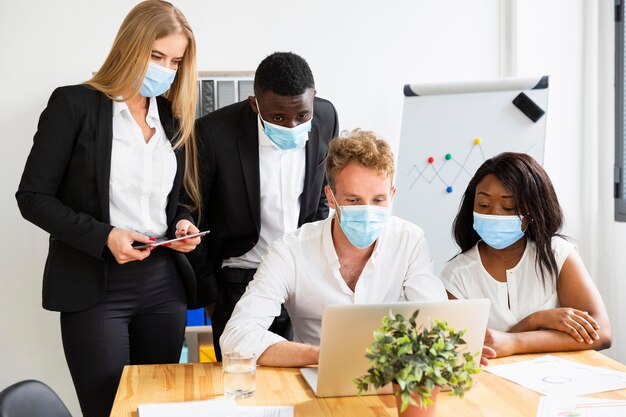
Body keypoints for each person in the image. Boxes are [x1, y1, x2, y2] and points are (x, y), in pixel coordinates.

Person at [15, 2, 202, 416]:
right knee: (108, 410)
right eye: (156, 56)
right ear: (129, 47)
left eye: (174, 61)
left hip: (163, 284)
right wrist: (105, 236)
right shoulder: (73, 104)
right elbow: (32, 197)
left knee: (160, 409)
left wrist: (184, 222)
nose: (165, 69)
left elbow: (179, 198)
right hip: (95, 285)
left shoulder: (173, 117)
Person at [220, 129, 448, 367]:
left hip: (385, 375)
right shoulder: (290, 251)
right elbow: (236, 337)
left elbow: (439, 322)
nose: (368, 210)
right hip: (313, 376)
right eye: (353, 200)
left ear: (392, 195)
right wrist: (323, 355)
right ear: (331, 198)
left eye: (378, 200)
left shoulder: (409, 241)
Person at [190, 51, 339, 360]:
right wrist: (211, 294)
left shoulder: (326, 116)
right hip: (239, 280)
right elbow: (193, 215)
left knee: (308, 371)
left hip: (301, 279)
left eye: (301, 116)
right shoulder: (213, 133)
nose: (292, 125)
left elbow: (322, 193)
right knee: (241, 382)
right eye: (278, 117)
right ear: (255, 104)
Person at [441, 152, 612, 357]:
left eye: (508, 207)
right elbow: (468, 353)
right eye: (484, 205)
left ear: (532, 212)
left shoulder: (556, 253)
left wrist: (514, 342)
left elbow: (601, 333)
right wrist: (536, 321)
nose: (494, 214)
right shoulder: (456, 274)